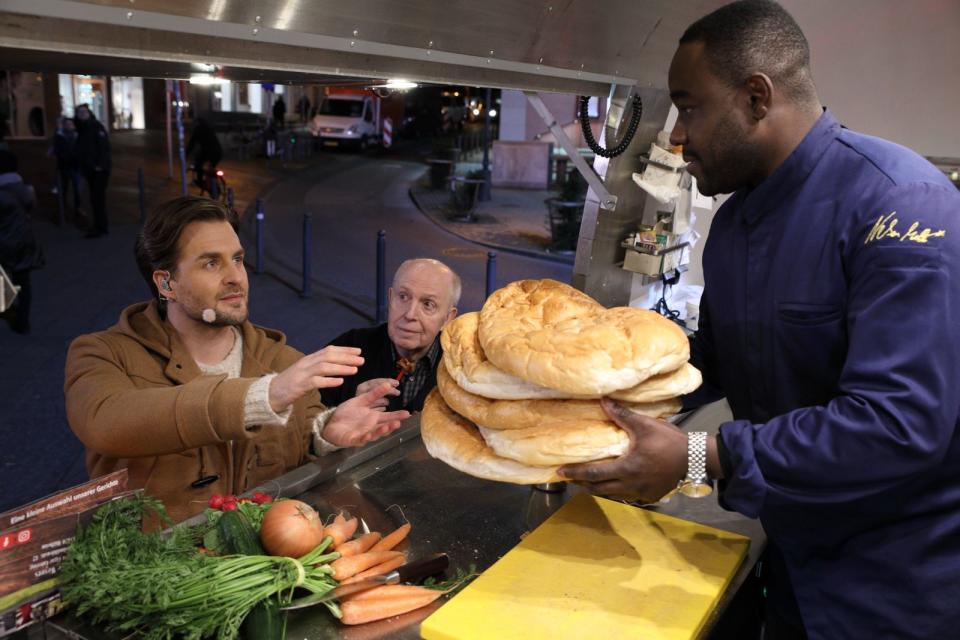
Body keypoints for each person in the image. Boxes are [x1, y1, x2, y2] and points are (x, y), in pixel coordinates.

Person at [559, 2, 960, 639]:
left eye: (688, 108)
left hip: (898, 583)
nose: (678, 138)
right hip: (794, 554)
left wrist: (695, 457)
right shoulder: (738, 223)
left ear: (756, 96)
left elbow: (898, 423)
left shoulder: (899, 205)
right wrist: (598, 381)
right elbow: (713, 362)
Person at [64, 197, 409, 523]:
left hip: (262, 570)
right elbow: (106, 422)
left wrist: (325, 435)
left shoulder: (283, 360)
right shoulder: (102, 354)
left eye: (238, 259)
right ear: (166, 282)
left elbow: (301, 454)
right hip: (157, 574)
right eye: (211, 262)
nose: (235, 276)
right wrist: (263, 396)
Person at [320, 259, 460, 413]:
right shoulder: (346, 350)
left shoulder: (463, 371)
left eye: (428, 304)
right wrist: (342, 413)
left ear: (447, 318)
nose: (410, 314)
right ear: (390, 298)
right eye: (403, 297)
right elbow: (303, 423)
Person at [0, 150, 43, 335]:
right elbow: (30, 209)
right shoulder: (25, 189)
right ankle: (23, 321)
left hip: (2, 241)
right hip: (23, 240)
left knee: (1, 279)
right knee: (24, 282)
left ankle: (6, 309)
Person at [74, 104, 111, 238]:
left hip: (99, 170)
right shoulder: (81, 128)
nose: (82, 114)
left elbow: (103, 147)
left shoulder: (96, 126)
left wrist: (100, 165)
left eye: (84, 111)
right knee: (95, 198)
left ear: (89, 113)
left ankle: (100, 227)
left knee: (97, 198)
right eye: (79, 112)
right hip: (89, 170)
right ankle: (101, 225)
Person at [51, 116, 82, 221]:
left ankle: (78, 209)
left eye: (71, 124)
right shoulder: (60, 136)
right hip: (64, 167)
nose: (69, 126)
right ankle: (63, 211)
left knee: (77, 190)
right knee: (63, 189)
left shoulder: (77, 136)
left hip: (75, 167)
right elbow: (57, 150)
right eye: (67, 124)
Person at [185, 117, 223, 192]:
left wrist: (185, 155)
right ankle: (214, 185)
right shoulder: (209, 127)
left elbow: (191, 144)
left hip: (208, 152)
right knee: (210, 168)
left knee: (199, 165)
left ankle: (201, 183)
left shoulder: (197, 130)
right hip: (218, 152)